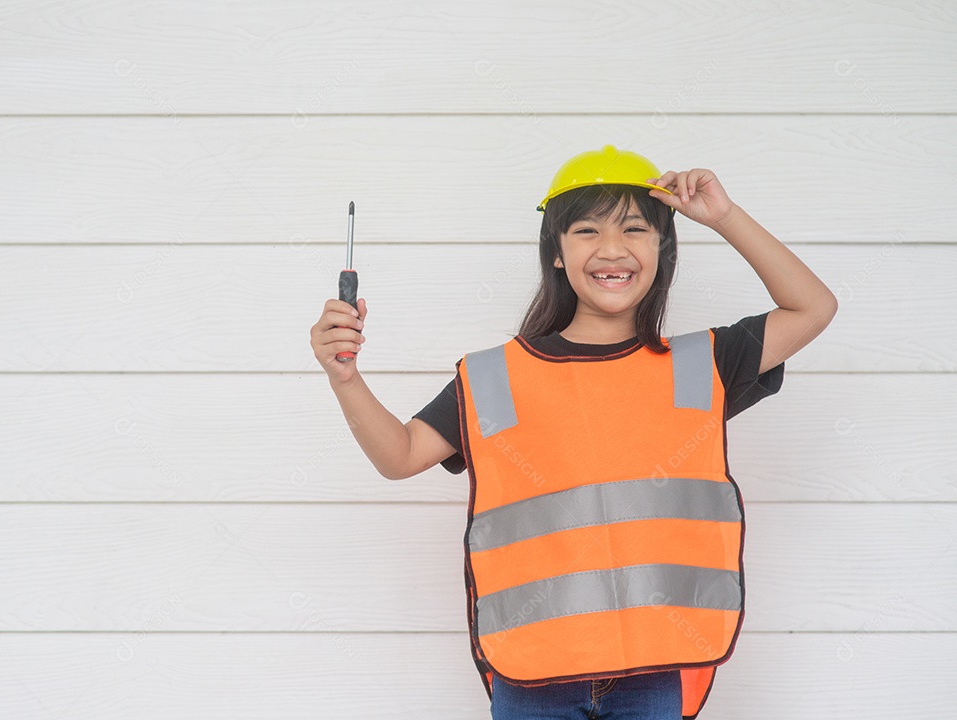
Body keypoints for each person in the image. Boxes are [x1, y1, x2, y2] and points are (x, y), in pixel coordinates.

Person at [309, 146, 838, 719]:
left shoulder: (703, 364)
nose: (612, 248)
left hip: (652, 671)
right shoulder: (494, 377)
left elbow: (813, 307)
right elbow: (401, 455)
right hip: (533, 674)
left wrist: (724, 216)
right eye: (587, 230)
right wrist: (345, 377)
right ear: (556, 253)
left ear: (663, 248)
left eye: (635, 229)